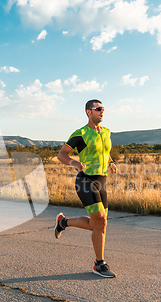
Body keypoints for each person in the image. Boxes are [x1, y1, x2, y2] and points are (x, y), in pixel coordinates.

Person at [55, 99, 118, 278]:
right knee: (101, 221)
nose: (102, 111)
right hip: (85, 180)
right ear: (88, 112)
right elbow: (61, 154)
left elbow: (105, 151)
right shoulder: (80, 133)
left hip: (101, 180)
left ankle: (63, 222)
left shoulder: (106, 132)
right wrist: (74, 162)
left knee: (96, 224)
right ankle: (99, 264)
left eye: (103, 109)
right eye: (98, 109)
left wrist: (111, 162)